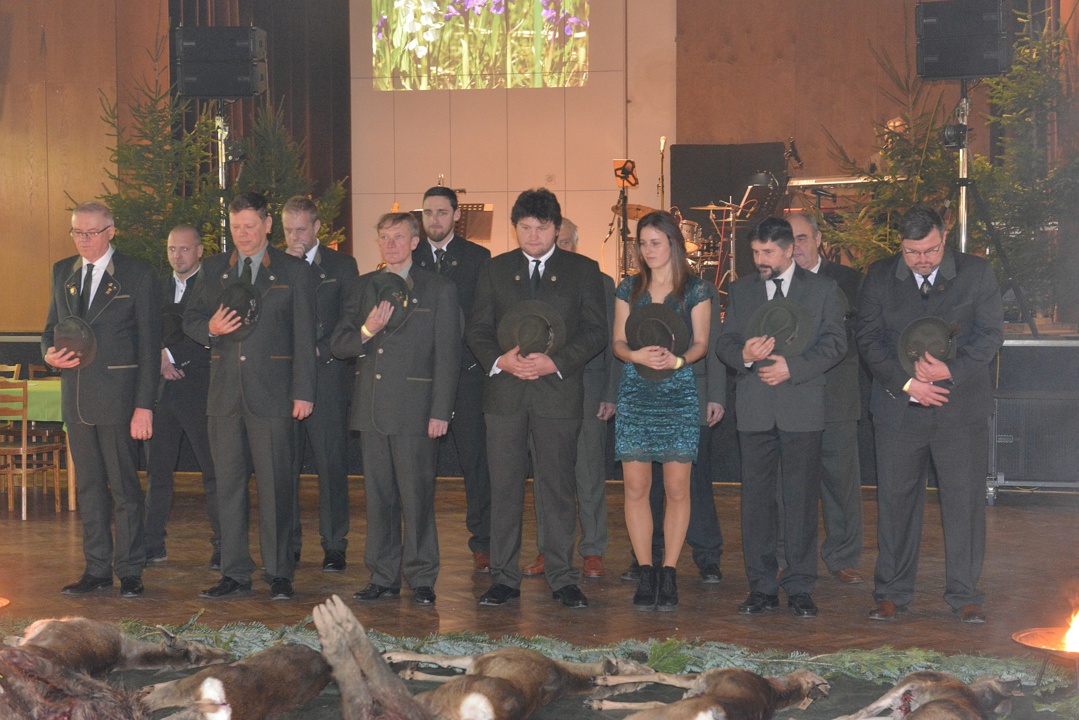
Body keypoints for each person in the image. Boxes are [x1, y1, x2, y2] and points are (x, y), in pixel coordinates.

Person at [857, 205, 1002, 624]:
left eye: (931, 251)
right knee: (895, 502)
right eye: (912, 252)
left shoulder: (976, 273)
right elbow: (868, 339)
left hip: (960, 412)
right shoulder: (879, 276)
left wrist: (949, 371)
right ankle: (891, 593)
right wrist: (908, 383)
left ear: (944, 237)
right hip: (899, 410)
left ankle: (965, 594)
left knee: (964, 503)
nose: (922, 260)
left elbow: (991, 334)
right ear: (900, 246)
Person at [466, 188, 607, 609]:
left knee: (558, 488)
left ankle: (562, 578)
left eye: (541, 228)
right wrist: (499, 361)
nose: (532, 236)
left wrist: (556, 363)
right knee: (504, 488)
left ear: (556, 228)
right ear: (515, 228)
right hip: (505, 396)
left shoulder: (583, 270)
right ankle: (504, 578)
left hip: (558, 394)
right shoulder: (495, 269)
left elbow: (596, 331)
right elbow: (477, 329)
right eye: (524, 228)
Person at [183, 191, 316, 602]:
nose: (242, 234)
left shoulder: (293, 271)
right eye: (235, 227)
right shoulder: (213, 269)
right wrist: (210, 329)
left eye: (250, 226)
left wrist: (303, 392)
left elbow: (304, 335)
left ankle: (279, 573)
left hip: (274, 397)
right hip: (224, 397)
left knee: (276, 487)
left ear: (267, 224)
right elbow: (190, 318)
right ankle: (235, 572)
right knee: (228, 486)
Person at [716, 216, 846, 619]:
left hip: (801, 408)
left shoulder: (823, 290)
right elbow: (725, 342)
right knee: (756, 502)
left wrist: (794, 368)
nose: (761, 259)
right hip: (755, 409)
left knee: (801, 501)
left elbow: (835, 344)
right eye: (756, 252)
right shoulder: (741, 290)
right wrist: (744, 356)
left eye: (768, 252)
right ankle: (761, 587)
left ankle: (801, 586)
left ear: (790, 250)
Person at [331, 212, 460, 606]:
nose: (391, 244)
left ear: (415, 242)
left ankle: (421, 577)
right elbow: (339, 344)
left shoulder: (438, 288)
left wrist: (441, 411)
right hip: (372, 409)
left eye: (399, 237)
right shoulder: (363, 287)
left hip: (416, 411)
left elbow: (448, 355)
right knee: (379, 498)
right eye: (384, 237)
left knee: (417, 497)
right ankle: (382, 576)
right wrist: (367, 330)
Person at [43, 201, 161, 599]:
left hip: (120, 400)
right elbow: (50, 329)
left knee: (125, 488)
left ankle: (130, 570)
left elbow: (150, 346)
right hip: (77, 399)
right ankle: (96, 569)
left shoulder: (138, 274)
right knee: (89, 488)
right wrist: (48, 354)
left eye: (91, 232)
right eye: (77, 232)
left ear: (111, 232)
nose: (83, 240)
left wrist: (144, 406)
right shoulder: (62, 271)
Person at [612, 211, 712, 611]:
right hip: (636, 393)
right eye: (643, 243)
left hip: (678, 393)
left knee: (677, 489)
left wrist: (677, 361)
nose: (648, 250)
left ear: (673, 243)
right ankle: (645, 569)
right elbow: (618, 342)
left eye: (655, 242)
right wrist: (635, 355)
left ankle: (669, 570)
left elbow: (701, 343)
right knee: (636, 488)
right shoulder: (629, 288)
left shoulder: (696, 289)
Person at [522, 218, 616, 579]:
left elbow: (612, 341)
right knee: (547, 474)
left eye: (564, 242)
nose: (557, 248)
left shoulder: (601, 283)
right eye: (553, 242)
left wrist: (610, 393)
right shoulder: (530, 284)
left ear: (575, 245)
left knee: (588, 471)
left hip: (589, 389)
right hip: (543, 391)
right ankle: (550, 549)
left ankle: (593, 549)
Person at [412, 186, 494, 573]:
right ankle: (416, 544)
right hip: (419, 380)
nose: (435, 220)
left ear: (457, 215)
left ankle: (484, 542)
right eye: (428, 213)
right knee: (416, 468)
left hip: (467, 377)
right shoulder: (410, 256)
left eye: (442, 212)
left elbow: (483, 319)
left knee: (476, 464)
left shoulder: (478, 258)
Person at [282, 196, 358, 573]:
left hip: (326, 376)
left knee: (330, 464)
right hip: (284, 380)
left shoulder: (342, 266)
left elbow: (350, 318)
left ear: (316, 228)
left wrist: (319, 350)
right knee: (285, 465)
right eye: (288, 230)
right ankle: (289, 543)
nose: (294, 237)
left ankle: (334, 543)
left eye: (301, 230)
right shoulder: (274, 266)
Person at [788, 211, 865, 584]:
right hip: (790, 396)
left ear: (819, 240)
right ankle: (790, 556)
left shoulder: (849, 281)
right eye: (788, 240)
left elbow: (860, 337)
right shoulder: (773, 283)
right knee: (791, 485)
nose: (795, 247)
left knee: (841, 482)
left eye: (802, 238)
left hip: (836, 394)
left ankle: (843, 557)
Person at [143, 225, 221, 569]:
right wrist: (159, 357)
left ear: (200, 251)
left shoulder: (213, 286)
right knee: (157, 472)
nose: (177, 255)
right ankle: (152, 544)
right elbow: (145, 330)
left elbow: (215, 335)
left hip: (200, 390)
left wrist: (171, 356)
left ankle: (223, 545)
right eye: (172, 249)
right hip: (162, 393)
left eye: (185, 249)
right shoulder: (157, 287)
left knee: (213, 472)